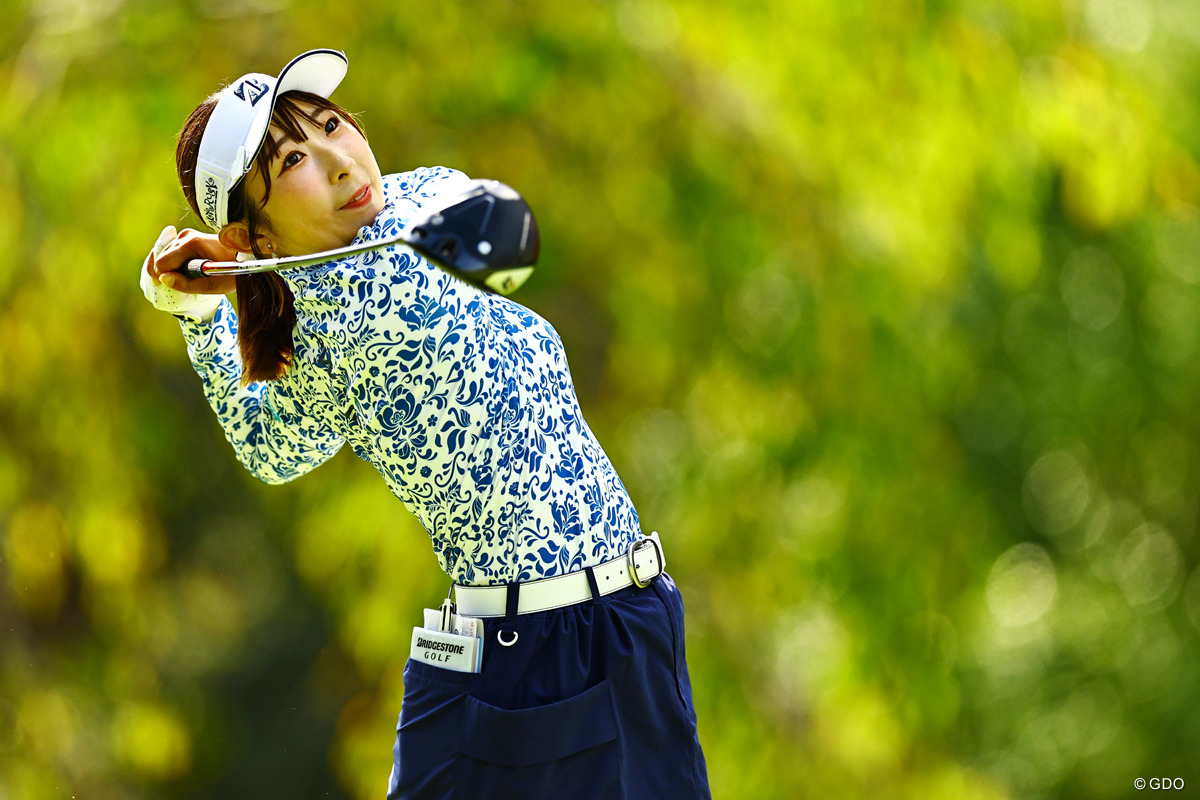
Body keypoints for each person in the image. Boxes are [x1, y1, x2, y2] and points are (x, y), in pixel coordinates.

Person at [142, 49, 710, 799]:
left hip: (629, 621)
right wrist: (208, 303)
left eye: (333, 125)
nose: (343, 161)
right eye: (294, 162)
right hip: (543, 655)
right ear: (259, 235)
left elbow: (497, 224)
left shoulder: (418, 198)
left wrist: (221, 287)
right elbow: (271, 448)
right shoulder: (332, 330)